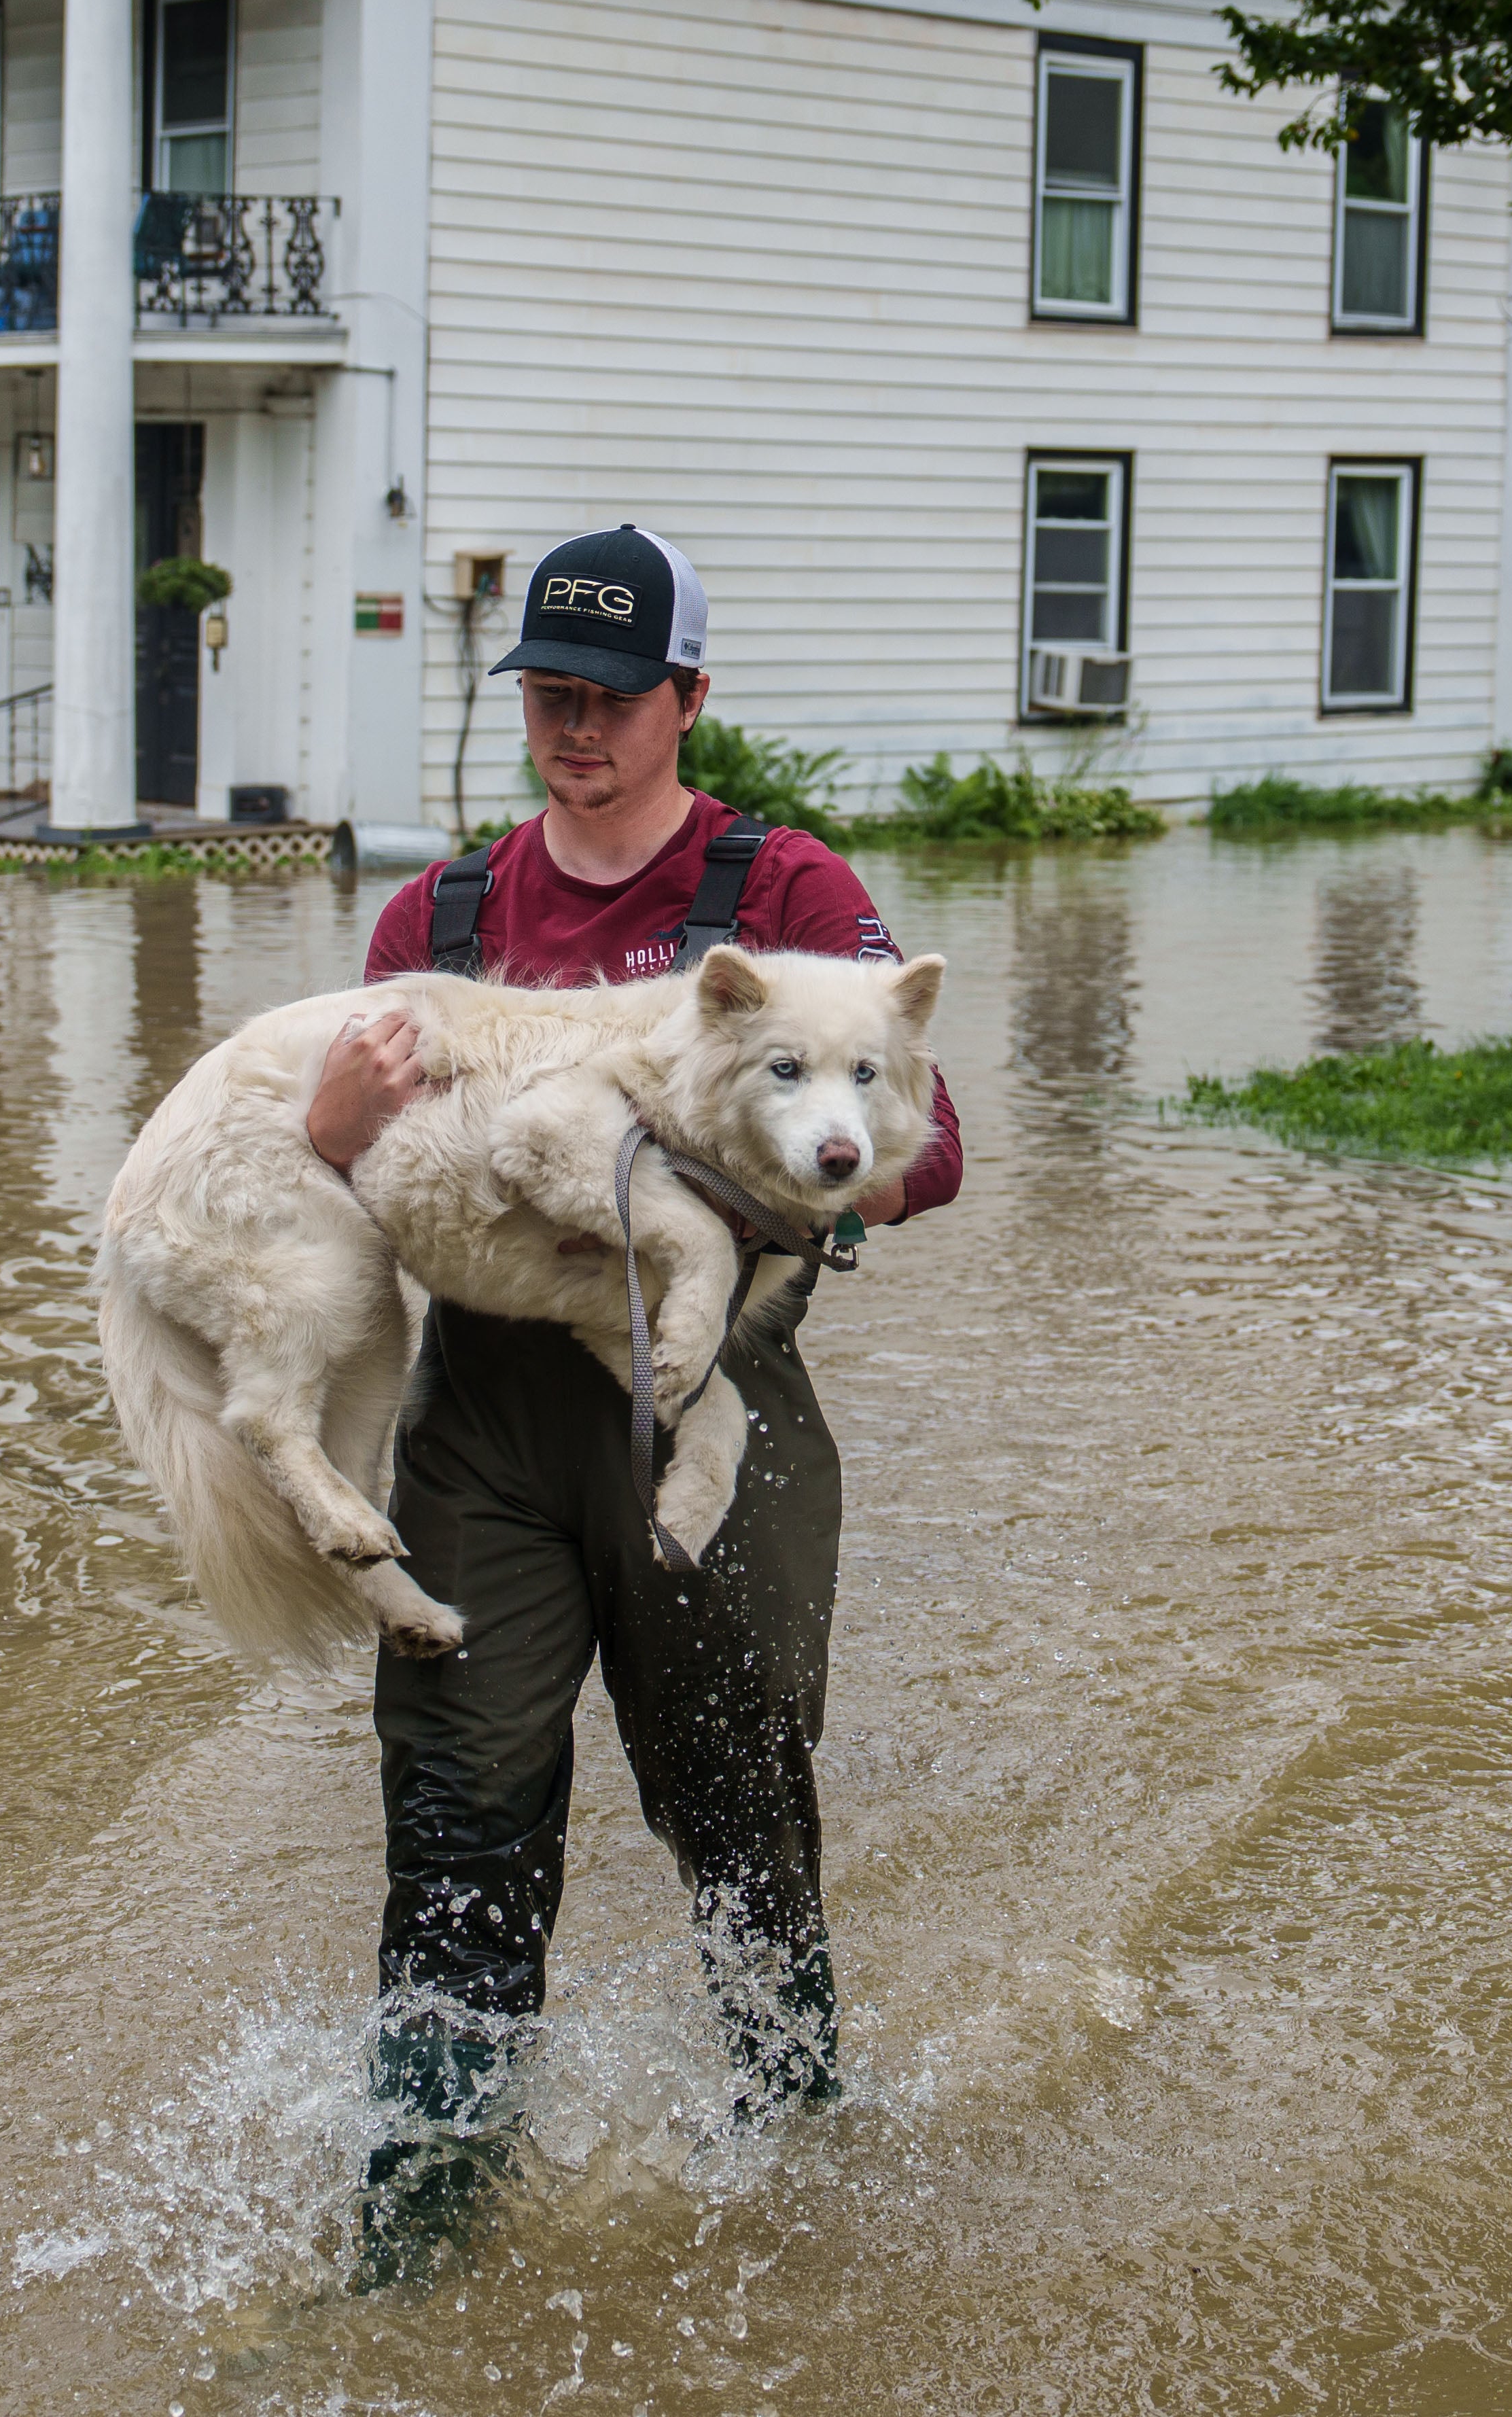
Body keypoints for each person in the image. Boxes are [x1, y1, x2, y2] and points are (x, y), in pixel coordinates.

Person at [304, 525, 964, 2284]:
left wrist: (767, 1161)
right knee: (455, 1829)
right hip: (486, 1437)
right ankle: (417, 2256)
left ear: (689, 699)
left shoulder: (793, 904)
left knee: (740, 1823)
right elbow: (322, 1188)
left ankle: (808, 2181)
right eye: (546, 691)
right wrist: (331, 1136)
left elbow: (928, 1149)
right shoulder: (438, 919)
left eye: (610, 695)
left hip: (714, 1419)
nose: (575, 725)